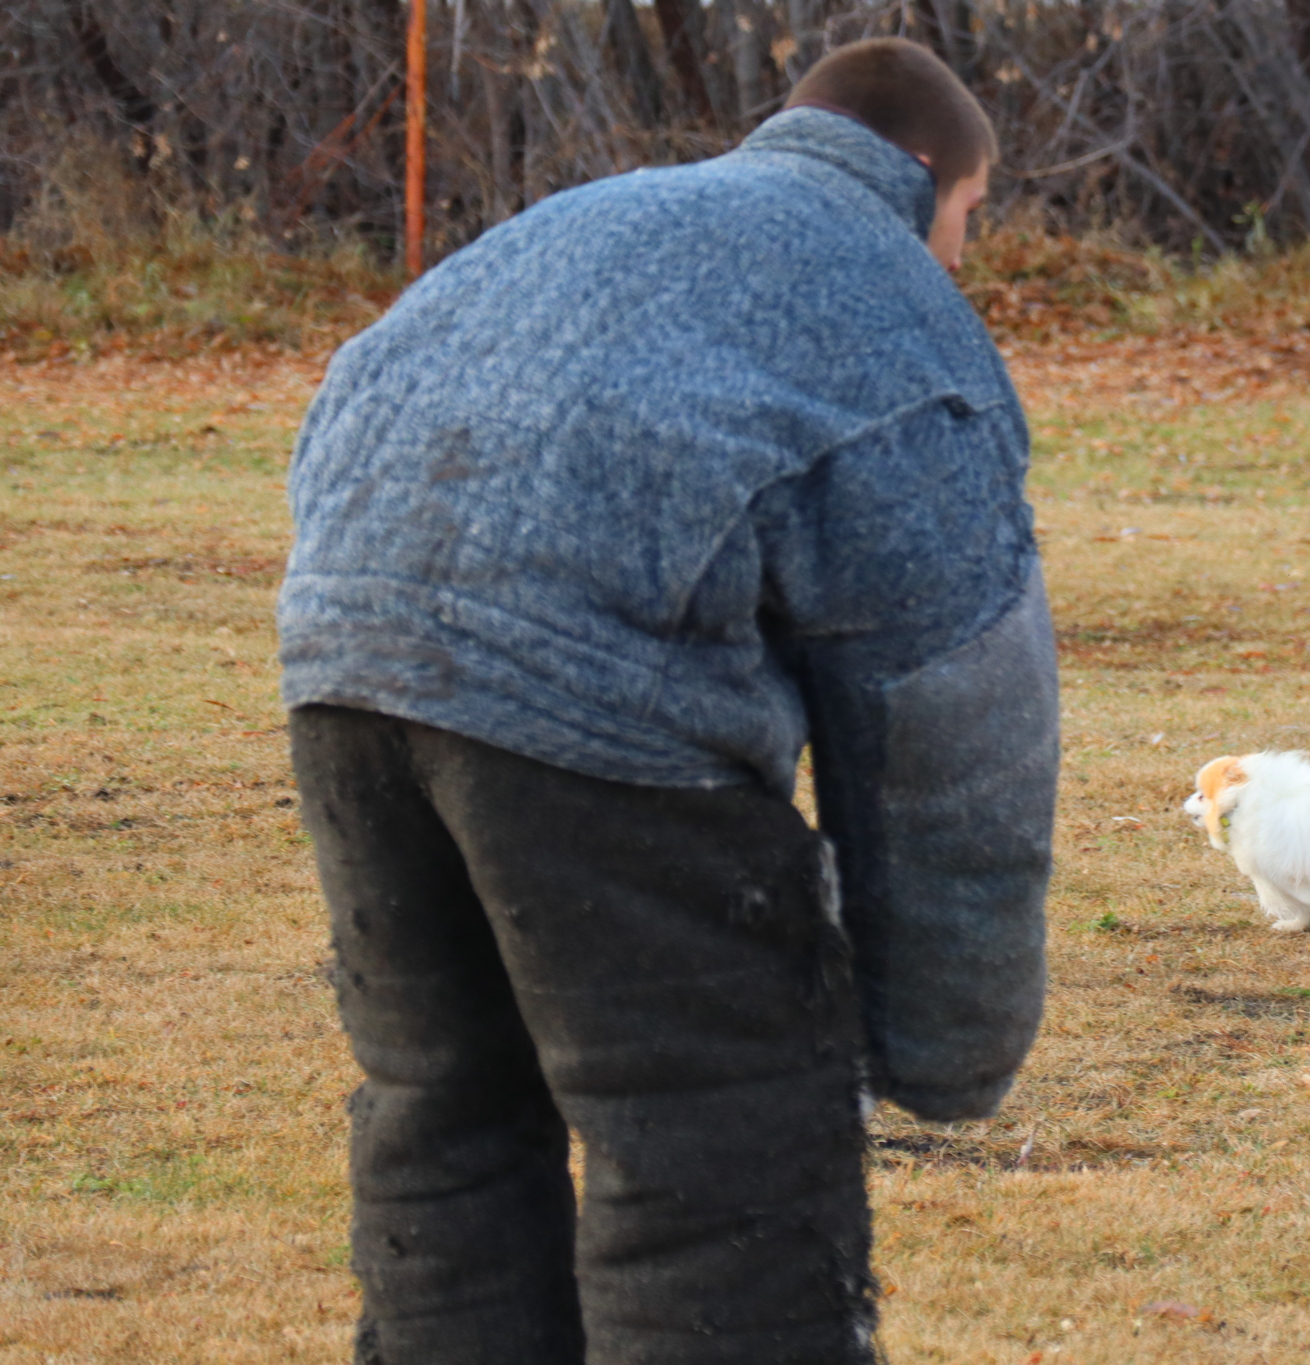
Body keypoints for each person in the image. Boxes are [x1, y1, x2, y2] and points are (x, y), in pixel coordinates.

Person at [277, 38, 1058, 1365]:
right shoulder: (894, 309)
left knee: (447, 1115)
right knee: (716, 1137)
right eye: (971, 218)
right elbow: (952, 723)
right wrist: (948, 1052)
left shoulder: (590, 220)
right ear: (924, 172)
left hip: (345, 665)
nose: (963, 256)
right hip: (599, 714)